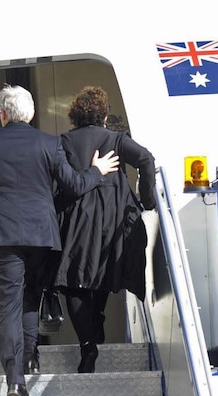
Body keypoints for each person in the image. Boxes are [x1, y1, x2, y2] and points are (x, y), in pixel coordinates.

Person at [0, 84, 119, 396]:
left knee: (7, 305)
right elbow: (75, 185)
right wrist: (97, 171)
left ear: (2, 115)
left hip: (2, 237)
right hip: (41, 238)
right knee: (30, 299)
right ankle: (29, 357)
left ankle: (16, 380)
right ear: (33, 113)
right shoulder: (49, 144)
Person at [52, 86, 156, 373]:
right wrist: (146, 199)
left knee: (74, 280)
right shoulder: (115, 139)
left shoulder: (63, 142)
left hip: (76, 219)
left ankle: (88, 344)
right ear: (105, 116)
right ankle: (95, 323)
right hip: (113, 219)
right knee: (102, 271)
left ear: (75, 115)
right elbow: (146, 160)